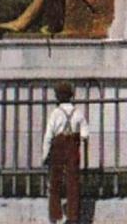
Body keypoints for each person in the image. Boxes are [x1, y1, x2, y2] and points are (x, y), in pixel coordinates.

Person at [43, 81, 89, 224]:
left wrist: (45, 155)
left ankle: (55, 215)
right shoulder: (78, 113)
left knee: (55, 182)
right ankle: (73, 216)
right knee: (73, 182)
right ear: (71, 96)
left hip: (58, 147)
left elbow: (48, 136)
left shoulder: (55, 113)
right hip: (72, 148)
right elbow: (85, 135)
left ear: (57, 97)